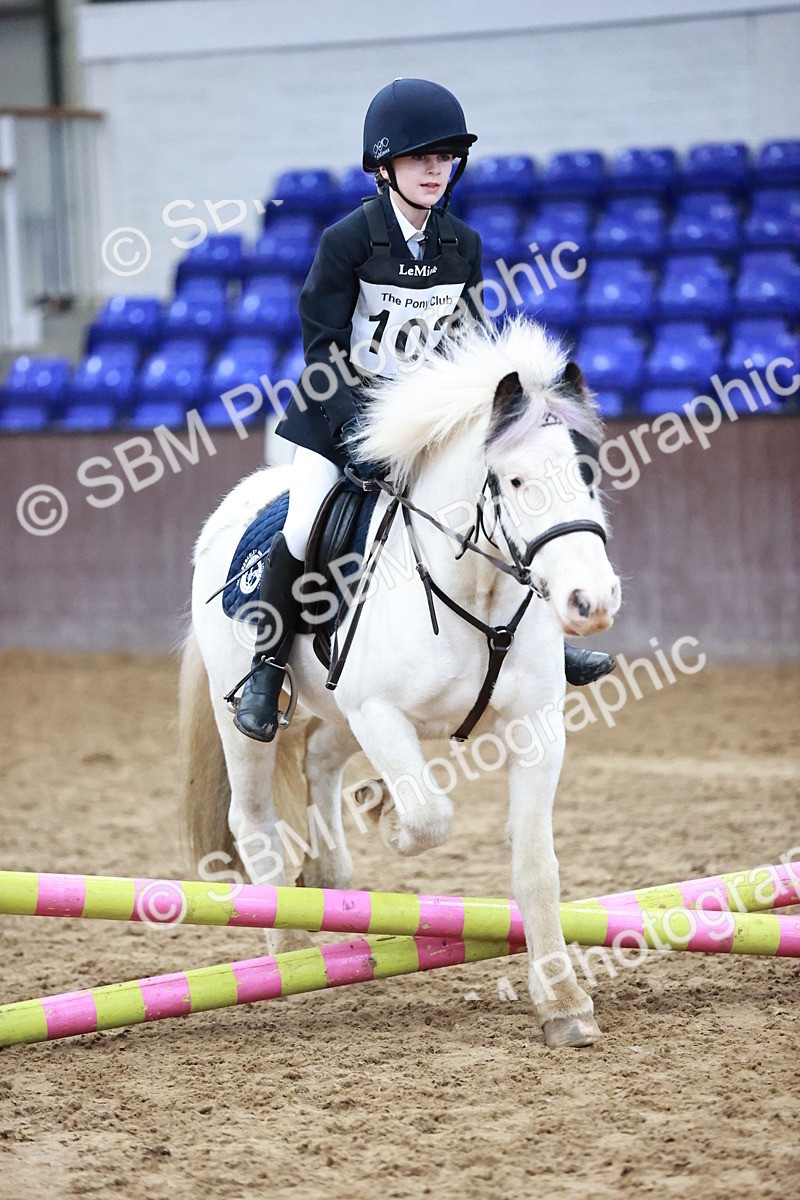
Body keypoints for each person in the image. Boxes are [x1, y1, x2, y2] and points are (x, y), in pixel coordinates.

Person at [233, 78, 614, 743]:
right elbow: (322, 349)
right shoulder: (347, 241)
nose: (435, 169)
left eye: (444, 157)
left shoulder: (461, 245)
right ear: (385, 167)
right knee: (301, 529)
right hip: (338, 422)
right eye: (419, 158)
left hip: (426, 428)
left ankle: (547, 642)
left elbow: (466, 346)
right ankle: (267, 668)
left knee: (500, 511)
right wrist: (356, 431)